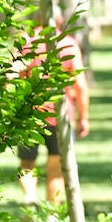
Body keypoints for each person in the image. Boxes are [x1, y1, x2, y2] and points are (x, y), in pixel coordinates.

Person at [14, 25, 90, 207]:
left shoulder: (27, 40)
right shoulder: (68, 43)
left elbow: (12, 75)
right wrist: (83, 118)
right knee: (56, 167)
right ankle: (53, 214)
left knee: (27, 163)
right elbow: (80, 85)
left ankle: (30, 195)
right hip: (59, 114)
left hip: (29, 113)